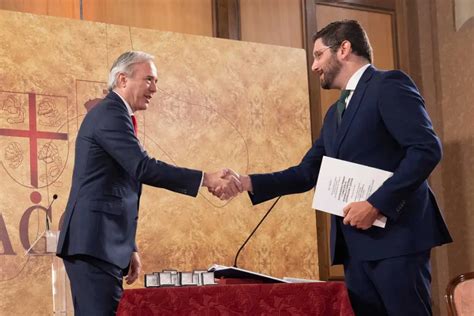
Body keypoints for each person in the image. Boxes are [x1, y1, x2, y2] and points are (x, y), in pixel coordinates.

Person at [217, 20, 452, 316]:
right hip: (354, 248)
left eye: (318, 55)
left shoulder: (389, 84)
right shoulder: (334, 115)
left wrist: (376, 204)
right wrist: (245, 182)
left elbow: (426, 149)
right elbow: (306, 173)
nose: (314, 66)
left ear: (344, 49)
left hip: (397, 241)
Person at [56, 51, 242, 315]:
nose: (155, 88)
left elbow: (117, 185)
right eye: (149, 80)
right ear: (122, 79)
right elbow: (143, 166)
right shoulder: (110, 113)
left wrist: (129, 245)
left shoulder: (116, 114)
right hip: (94, 245)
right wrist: (207, 178)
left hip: (101, 244)